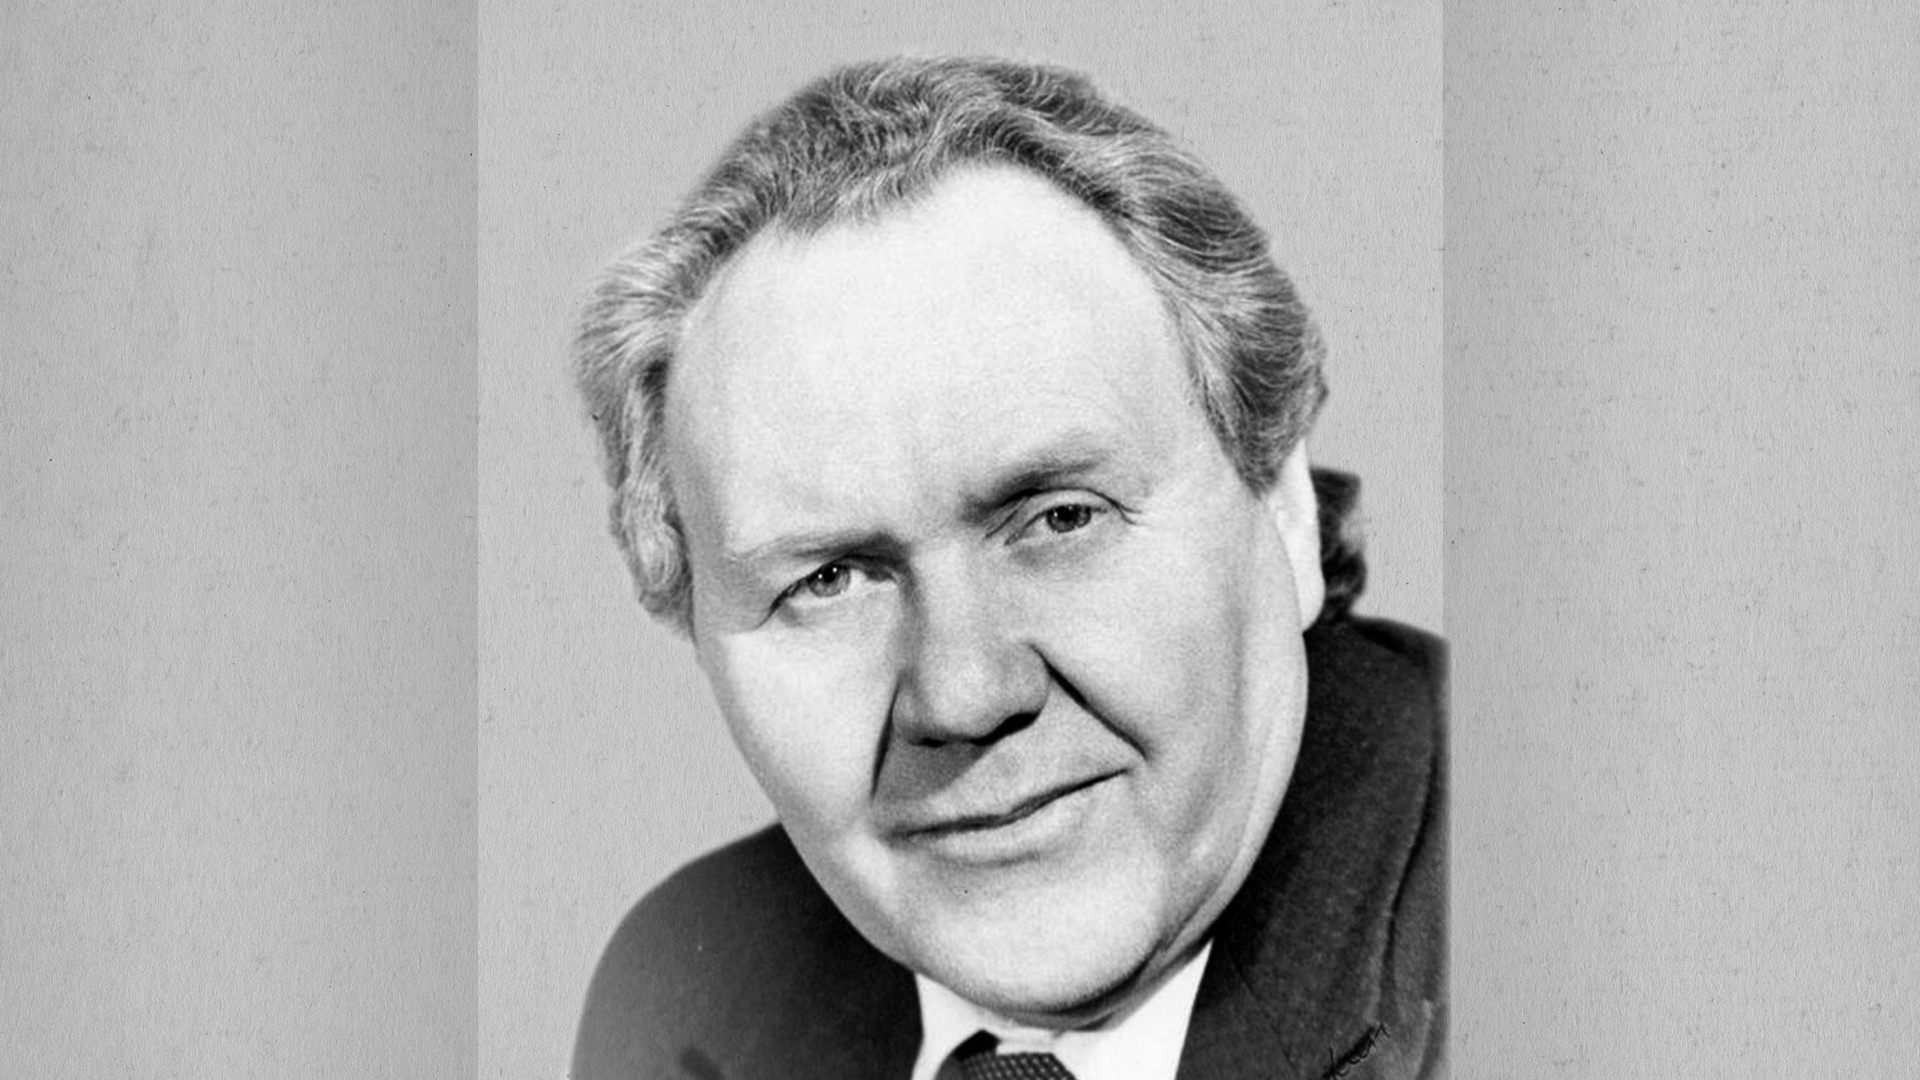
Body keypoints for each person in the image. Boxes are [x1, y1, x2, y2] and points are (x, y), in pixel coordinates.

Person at [570, 56, 1444, 1080]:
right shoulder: (684, 1002)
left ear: (1284, 508)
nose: (964, 693)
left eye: (1060, 520)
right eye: (827, 580)